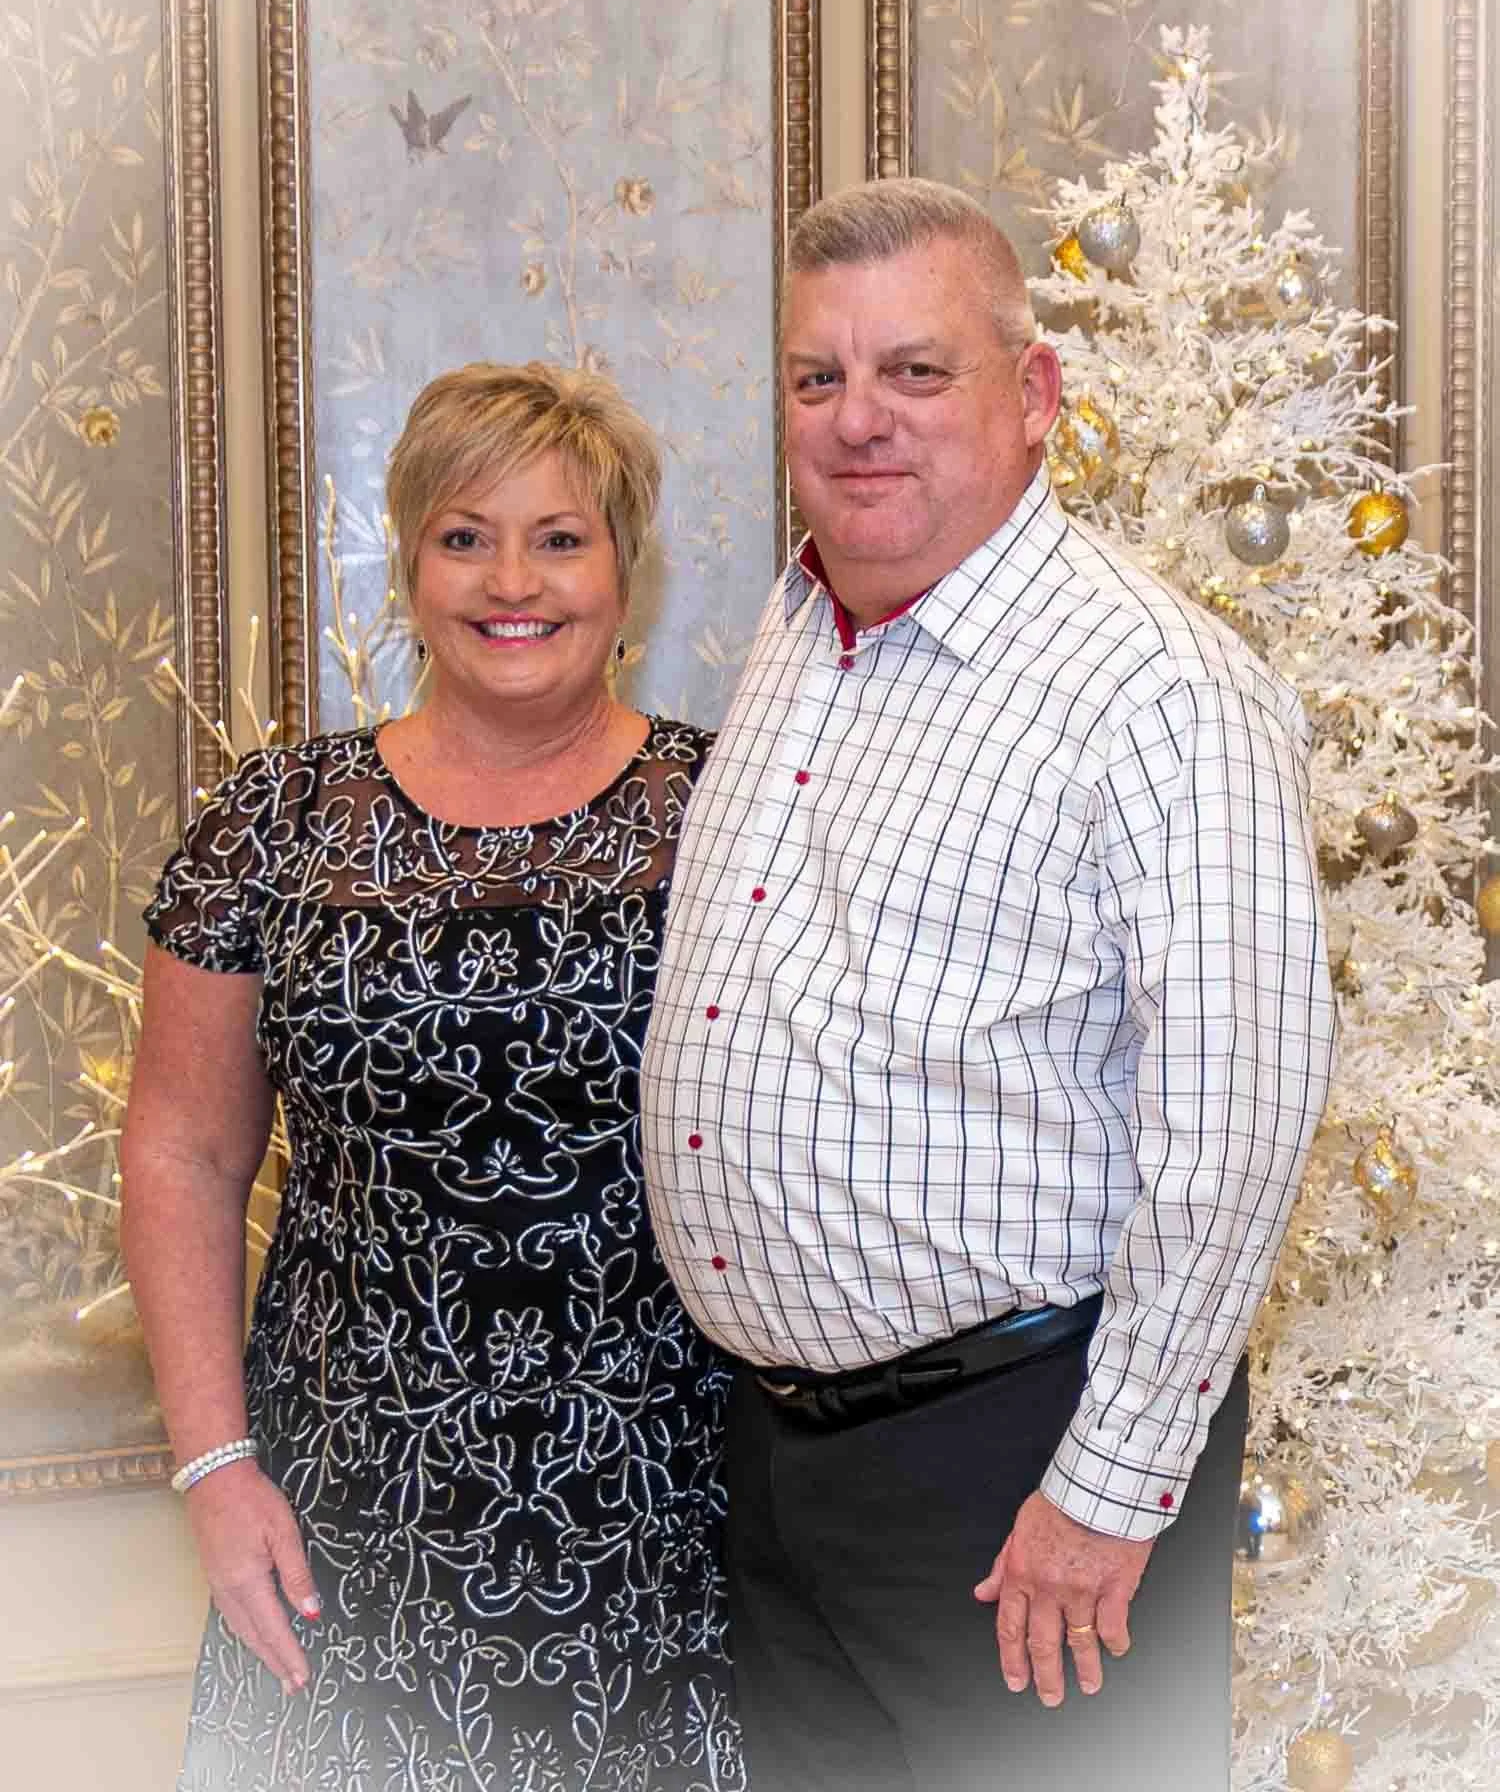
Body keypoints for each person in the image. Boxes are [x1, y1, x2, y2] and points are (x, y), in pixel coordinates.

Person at [639, 178, 1337, 1792]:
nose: (859, 420)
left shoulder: (1154, 689)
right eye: (819, 379)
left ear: (1033, 399)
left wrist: (1109, 1489)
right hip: (786, 1449)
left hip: (1014, 1457)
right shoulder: (809, 620)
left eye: (917, 372)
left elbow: (1232, 1129)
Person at [122, 362, 742, 1791]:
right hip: (345, 1502)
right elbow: (181, 1156)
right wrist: (218, 1476)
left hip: (673, 1501)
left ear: (626, 574)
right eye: (465, 535)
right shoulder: (272, 823)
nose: (510, 579)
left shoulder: (733, 813)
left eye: (560, 537)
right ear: (406, 560)